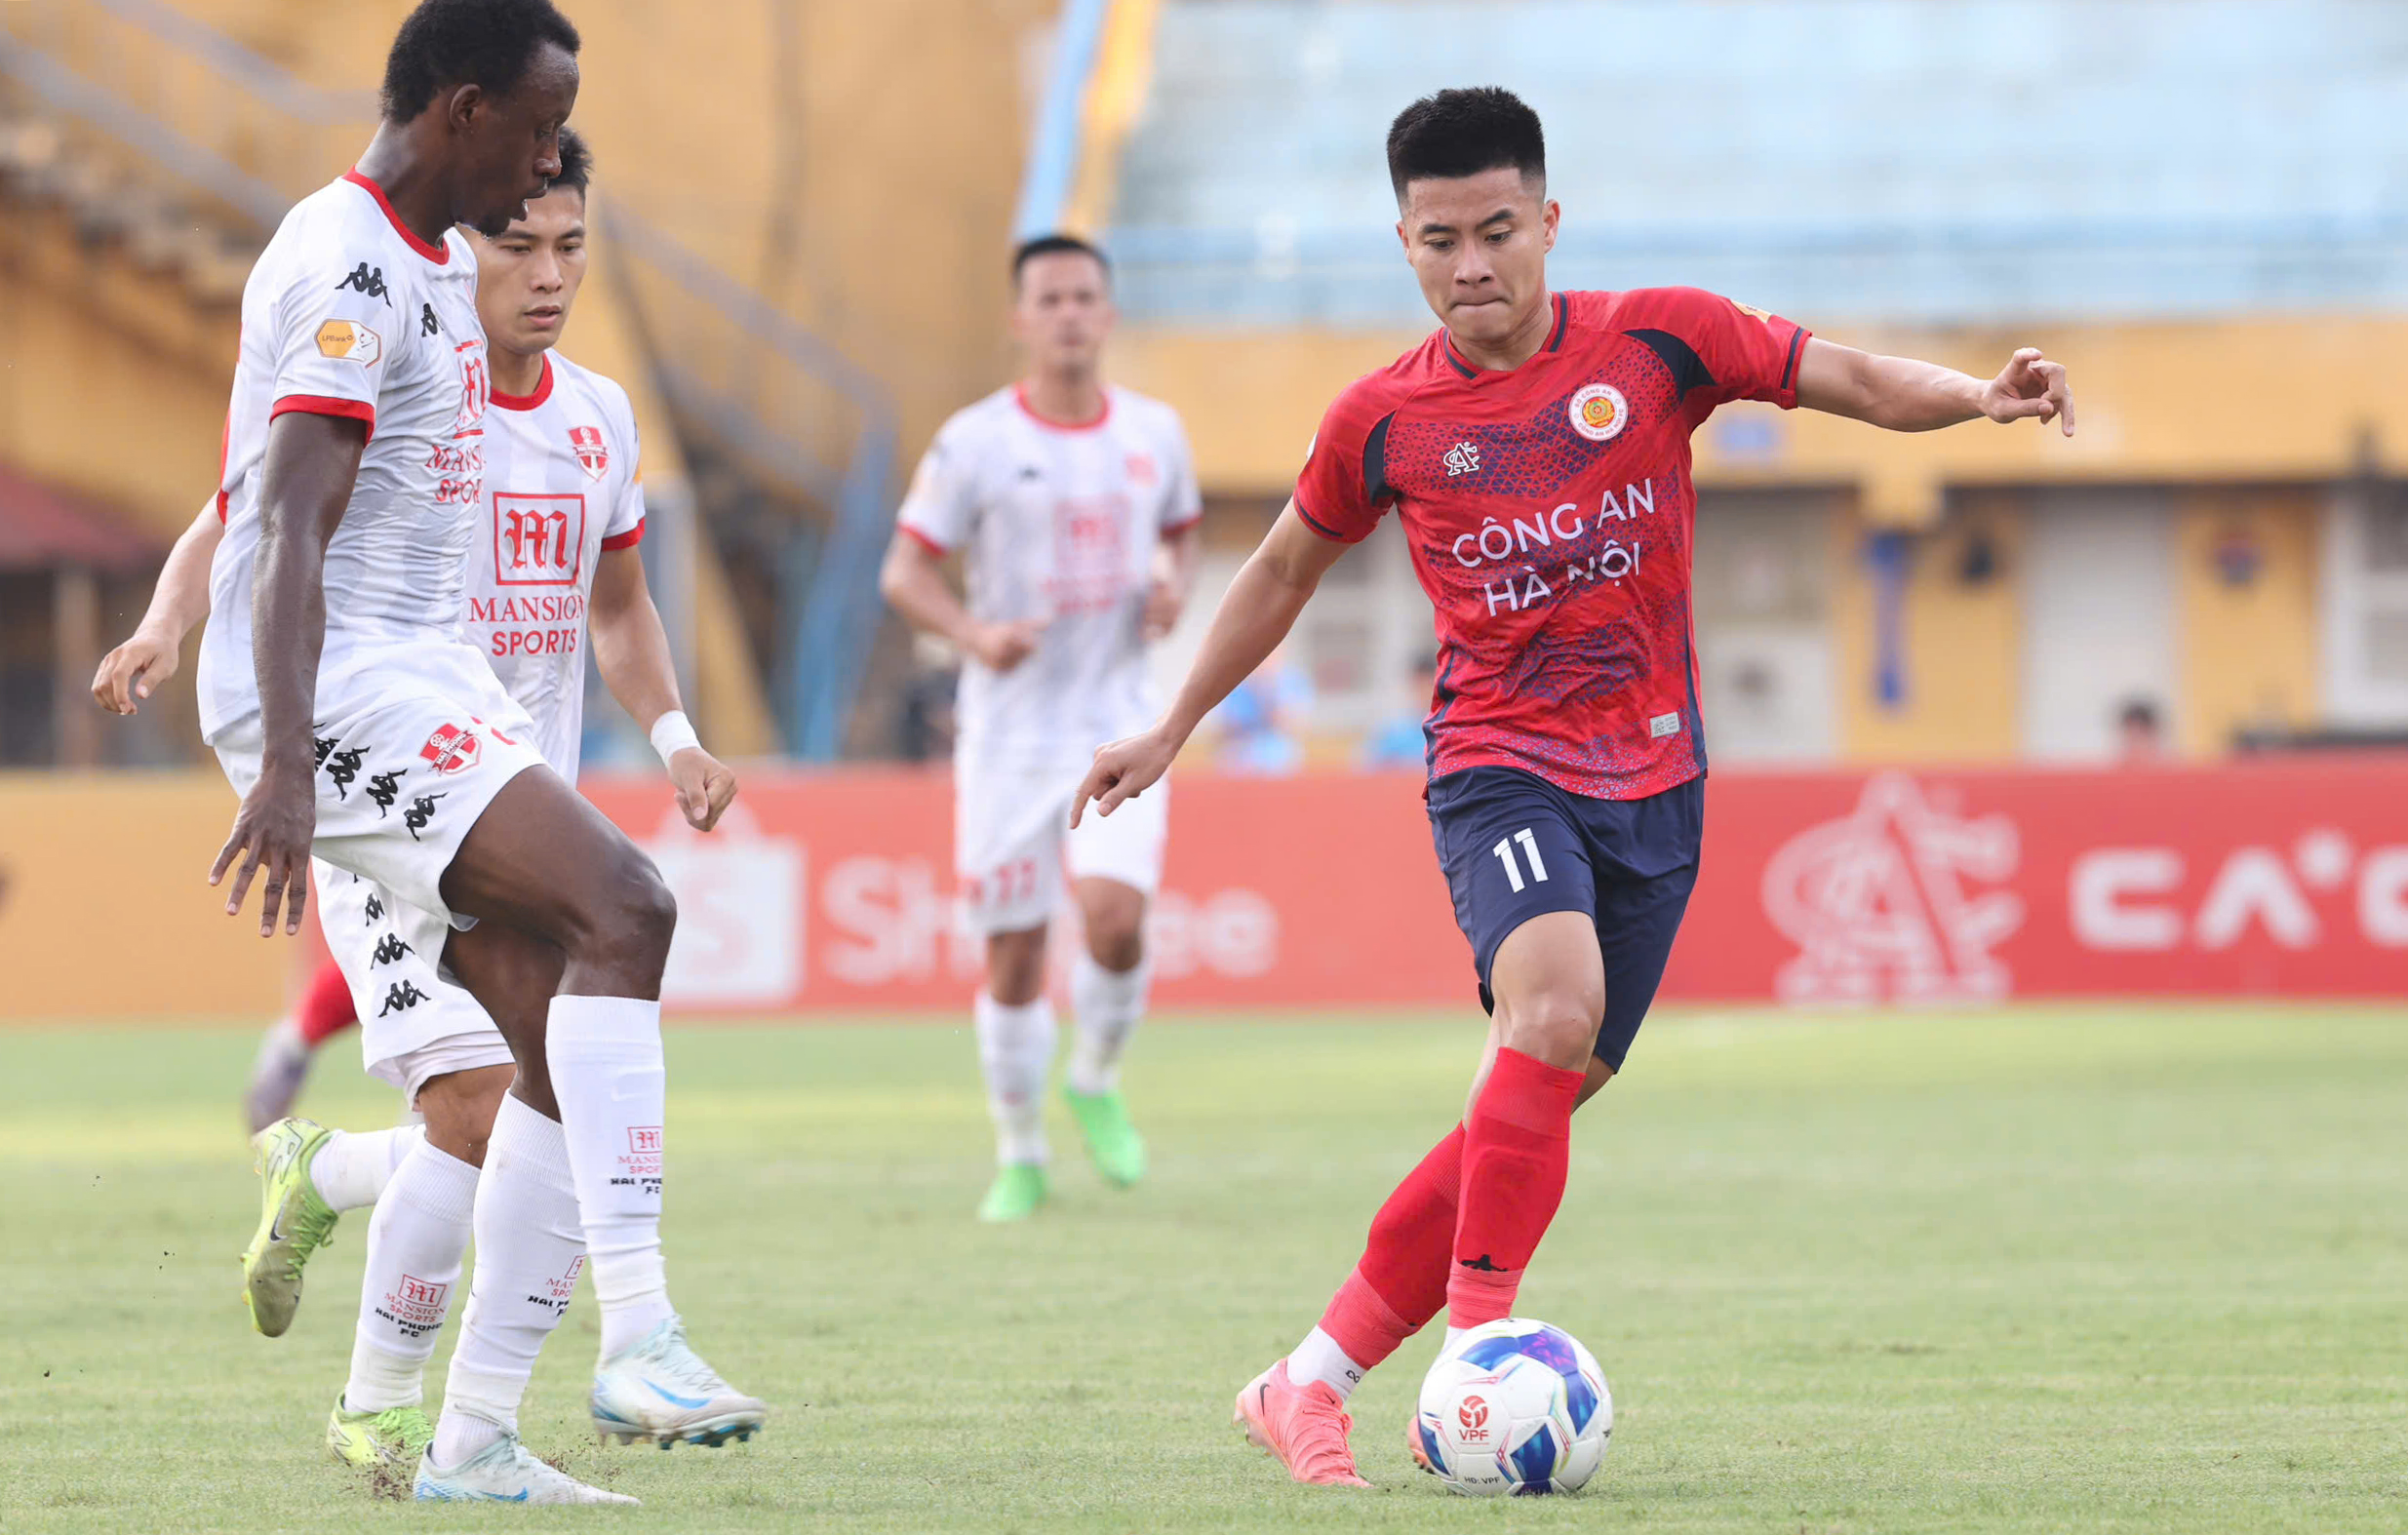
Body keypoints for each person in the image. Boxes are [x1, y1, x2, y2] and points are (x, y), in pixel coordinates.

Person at [1073, 87, 2076, 1487]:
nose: (1470, 264)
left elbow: (1842, 376)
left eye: (1496, 230)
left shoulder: (1660, 341)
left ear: (1548, 221)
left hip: (1658, 780)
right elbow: (1283, 568)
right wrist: (1173, 722)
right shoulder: (1383, 420)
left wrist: (1977, 397)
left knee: (1529, 1094)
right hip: (1498, 764)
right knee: (1549, 1010)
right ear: (1405, 246)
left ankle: (1304, 1381)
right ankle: (1479, 1348)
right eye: (1438, 241)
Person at [97, 127, 744, 1499]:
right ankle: (415, 1408)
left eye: (571, 246)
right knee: (481, 1097)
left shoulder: (598, 420)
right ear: (464, 244)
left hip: (509, 789)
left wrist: (677, 733)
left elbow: (621, 607)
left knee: (521, 1094)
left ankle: (349, 1213)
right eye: (520, 243)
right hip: (381, 781)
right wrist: (164, 626)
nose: (547, 273)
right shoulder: (394, 356)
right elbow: (244, 513)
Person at [879, 233, 1202, 1222]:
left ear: (1108, 314)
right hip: (1008, 742)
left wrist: (1172, 589)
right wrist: (975, 634)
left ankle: (1094, 1075)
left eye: (1083, 297)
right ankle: (1019, 1153)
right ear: (1021, 319)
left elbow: (1181, 537)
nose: (1068, 314)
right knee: (1014, 956)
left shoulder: (1154, 433)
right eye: (1049, 299)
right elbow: (905, 571)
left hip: (1118, 724)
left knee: (1115, 918)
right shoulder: (974, 441)